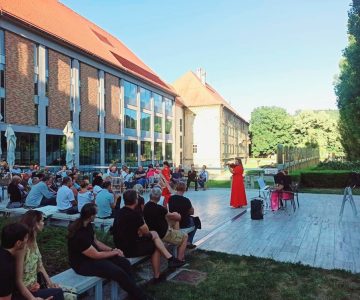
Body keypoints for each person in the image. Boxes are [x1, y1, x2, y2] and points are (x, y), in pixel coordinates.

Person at [67, 203, 151, 300]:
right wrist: (114, 253)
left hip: (92, 257)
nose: (97, 215)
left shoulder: (88, 225)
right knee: (118, 272)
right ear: (91, 216)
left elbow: (97, 242)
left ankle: (133, 293)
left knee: (124, 263)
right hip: (82, 264)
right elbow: (96, 255)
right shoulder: (79, 235)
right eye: (96, 214)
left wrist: (112, 250)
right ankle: (141, 297)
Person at [112, 190, 185, 283]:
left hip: (120, 245)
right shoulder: (135, 214)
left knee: (154, 234)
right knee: (155, 246)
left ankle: (170, 259)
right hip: (130, 248)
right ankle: (158, 276)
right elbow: (146, 231)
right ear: (136, 201)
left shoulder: (120, 212)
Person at [17, 210, 64, 300]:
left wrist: (50, 283)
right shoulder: (23, 246)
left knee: (57, 290)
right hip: (24, 292)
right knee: (58, 293)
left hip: (35, 287)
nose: (43, 223)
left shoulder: (33, 241)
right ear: (35, 224)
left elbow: (40, 266)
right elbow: (18, 280)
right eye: (42, 221)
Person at [143, 187, 188, 261]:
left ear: (150, 195)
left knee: (174, 221)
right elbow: (177, 218)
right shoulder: (160, 208)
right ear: (159, 197)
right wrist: (178, 214)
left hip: (153, 231)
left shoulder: (146, 207)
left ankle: (176, 237)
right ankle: (180, 259)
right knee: (185, 236)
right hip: (163, 234)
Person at [0, 223, 29, 300]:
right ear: (18, 243)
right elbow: (4, 298)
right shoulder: (7, 267)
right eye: (26, 238)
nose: (27, 241)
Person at [168, 182, 197, 249]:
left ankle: (184, 240)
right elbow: (192, 212)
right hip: (183, 223)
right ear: (184, 189)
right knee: (196, 221)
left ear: (176, 188)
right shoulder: (186, 200)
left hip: (173, 222)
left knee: (191, 219)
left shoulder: (171, 198)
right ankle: (188, 242)